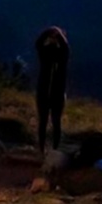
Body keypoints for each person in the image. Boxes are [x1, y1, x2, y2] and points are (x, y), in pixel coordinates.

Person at [35, 26, 70, 155]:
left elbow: (39, 43)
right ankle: (44, 149)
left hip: (51, 92)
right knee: (45, 121)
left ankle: (52, 149)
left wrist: (52, 32)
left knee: (54, 122)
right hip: (50, 92)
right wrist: (55, 31)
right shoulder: (46, 53)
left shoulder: (61, 56)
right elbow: (38, 43)